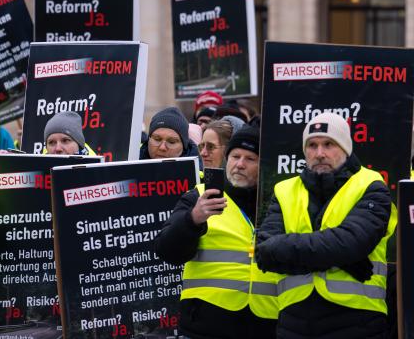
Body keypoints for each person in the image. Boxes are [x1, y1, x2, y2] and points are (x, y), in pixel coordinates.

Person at [256, 113, 396, 339]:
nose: (319, 153)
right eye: (312, 145)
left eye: (329, 144)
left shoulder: (371, 185)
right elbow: (263, 253)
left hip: (357, 321)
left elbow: (352, 243)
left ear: (346, 148)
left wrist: (342, 253)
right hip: (294, 323)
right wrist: (344, 261)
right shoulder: (284, 190)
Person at [155, 126, 278, 338]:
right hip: (206, 326)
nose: (239, 164)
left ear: (263, 166)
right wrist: (192, 219)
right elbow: (166, 251)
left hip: (266, 323)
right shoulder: (200, 196)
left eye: (250, 159)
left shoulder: (279, 201)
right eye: (235, 156)